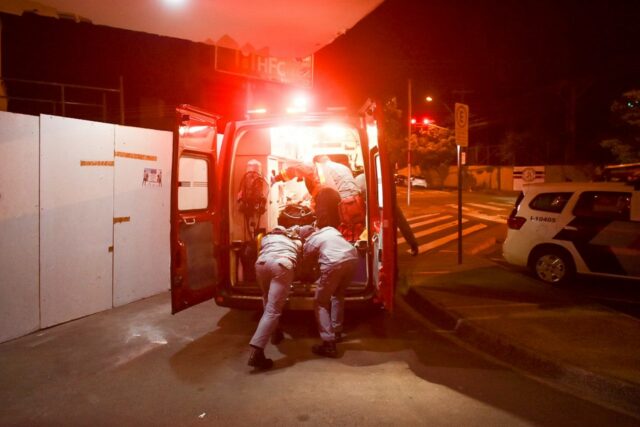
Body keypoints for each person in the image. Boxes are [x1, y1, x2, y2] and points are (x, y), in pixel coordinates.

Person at [247, 224, 314, 370]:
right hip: (281, 265)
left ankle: (275, 332)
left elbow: (251, 251)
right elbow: (302, 262)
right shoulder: (294, 241)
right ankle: (256, 351)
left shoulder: (265, 239)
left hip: (261, 264)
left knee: (267, 299)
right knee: (273, 310)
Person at [303, 225, 358, 358]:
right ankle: (337, 331)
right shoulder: (330, 229)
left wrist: (306, 277)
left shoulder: (310, 241)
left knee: (320, 303)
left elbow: (306, 265)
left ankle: (329, 343)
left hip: (334, 262)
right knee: (338, 294)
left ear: (304, 237)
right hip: (352, 258)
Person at [354, 173, 419, 256]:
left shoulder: (358, 179)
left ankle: (373, 247)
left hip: (378, 202)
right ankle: (413, 244)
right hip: (386, 201)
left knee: (373, 225)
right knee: (400, 222)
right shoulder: (377, 175)